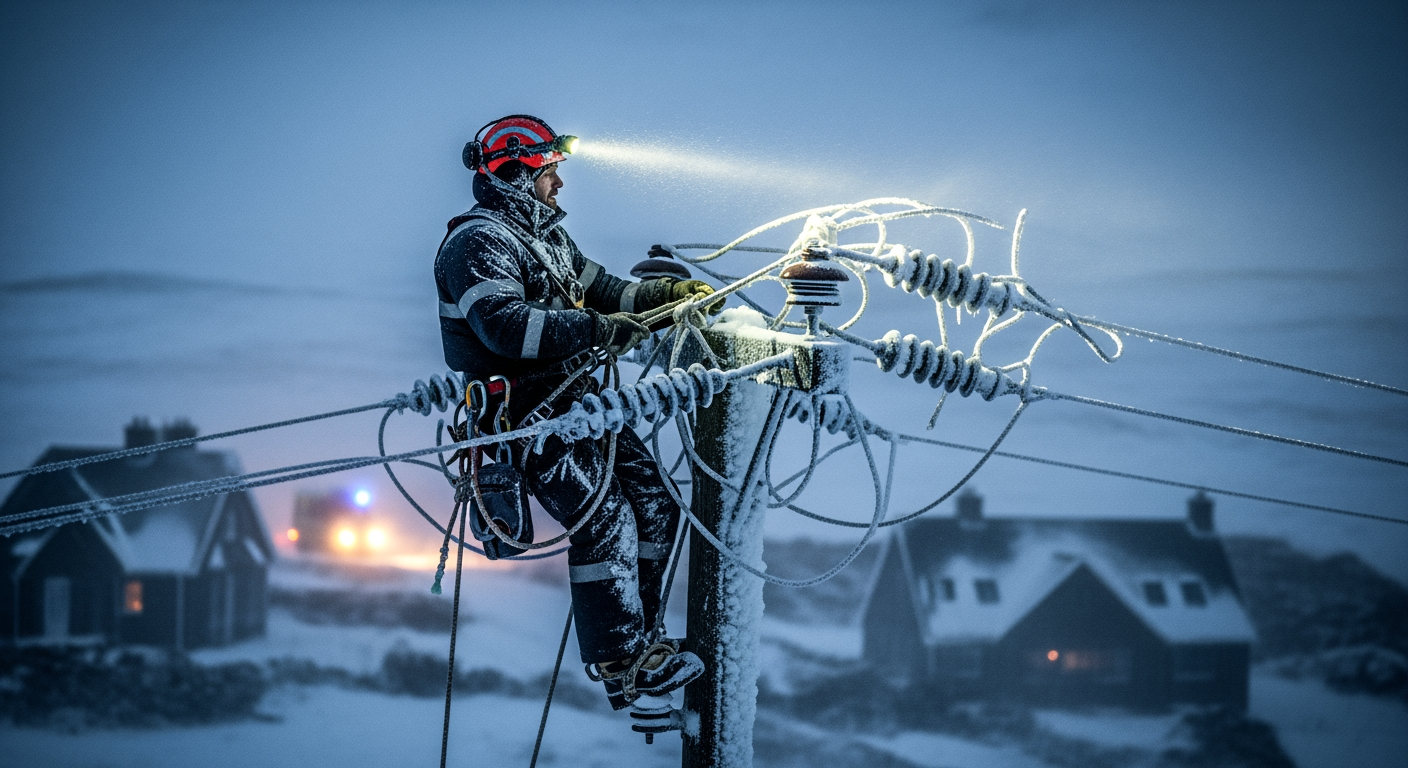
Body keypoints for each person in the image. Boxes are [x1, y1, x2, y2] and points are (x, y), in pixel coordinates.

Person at [434, 115, 717, 709]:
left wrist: (667, 300)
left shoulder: (548, 240)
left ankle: (643, 644)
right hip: (523, 420)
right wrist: (598, 330)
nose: (559, 186)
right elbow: (506, 327)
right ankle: (621, 662)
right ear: (514, 174)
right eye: (549, 173)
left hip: (580, 408)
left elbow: (607, 291)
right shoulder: (476, 243)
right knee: (604, 517)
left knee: (658, 506)